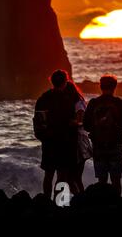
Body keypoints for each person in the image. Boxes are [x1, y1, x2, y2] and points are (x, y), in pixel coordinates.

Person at [83, 75, 122, 196]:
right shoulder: (120, 103)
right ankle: (117, 207)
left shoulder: (93, 103)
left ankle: (103, 207)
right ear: (115, 87)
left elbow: (86, 126)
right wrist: (116, 127)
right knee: (116, 180)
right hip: (116, 145)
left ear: (100, 87)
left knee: (102, 181)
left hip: (99, 146)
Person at [33, 70, 78, 199]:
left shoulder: (43, 98)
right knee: (62, 175)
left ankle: (47, 201)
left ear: (51, 81)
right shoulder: (68, 100)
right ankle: (58, 202)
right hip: (65, 142)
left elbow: (38, 121)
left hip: (49, 142)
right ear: (65, 82)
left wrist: (43, 137)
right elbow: (72, 122)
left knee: (48, 175)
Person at [65, 81, 92, 194]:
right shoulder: (78, 102)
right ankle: (80, 199)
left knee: (74, 177)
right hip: (79, 142)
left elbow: (80, 121)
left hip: (79, 142)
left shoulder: (78, 103)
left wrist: (69, 122)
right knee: (73, 177)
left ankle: (81, 199)